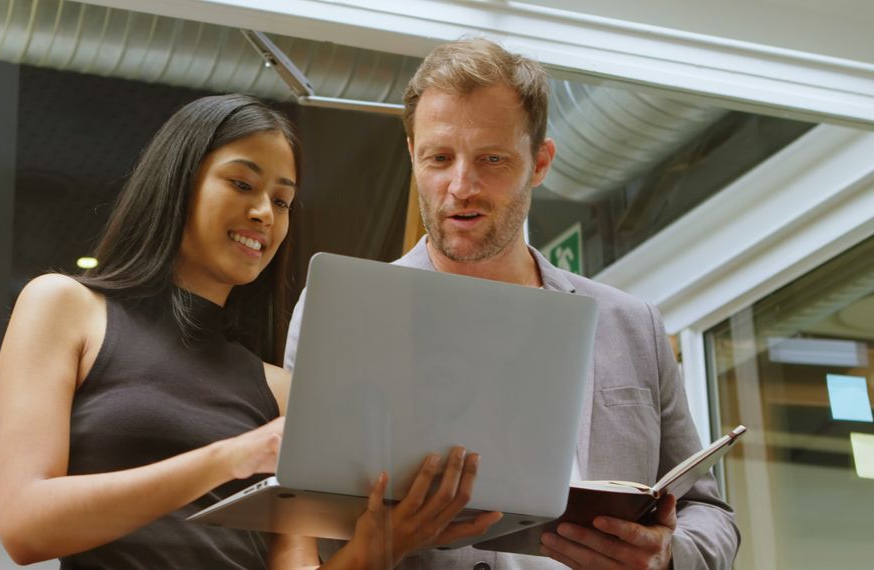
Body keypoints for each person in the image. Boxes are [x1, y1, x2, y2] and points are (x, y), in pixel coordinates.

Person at [282, 39, 741, 570]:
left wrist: (667, 554)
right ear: (412, 156)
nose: (460, 186)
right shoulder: (345, 315)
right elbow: (297, 522)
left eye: (491, 159)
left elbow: (708, 509)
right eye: (439, 158)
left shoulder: (631, 325)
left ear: (540, 161)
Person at [0, 93, 500, 569]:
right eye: (241, 184)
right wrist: (232, 457)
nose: (263, 213)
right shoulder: (65, 307)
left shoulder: (280, 390)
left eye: (282, 201)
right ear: (178, 181)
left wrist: (379, 545)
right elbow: (25, 524)